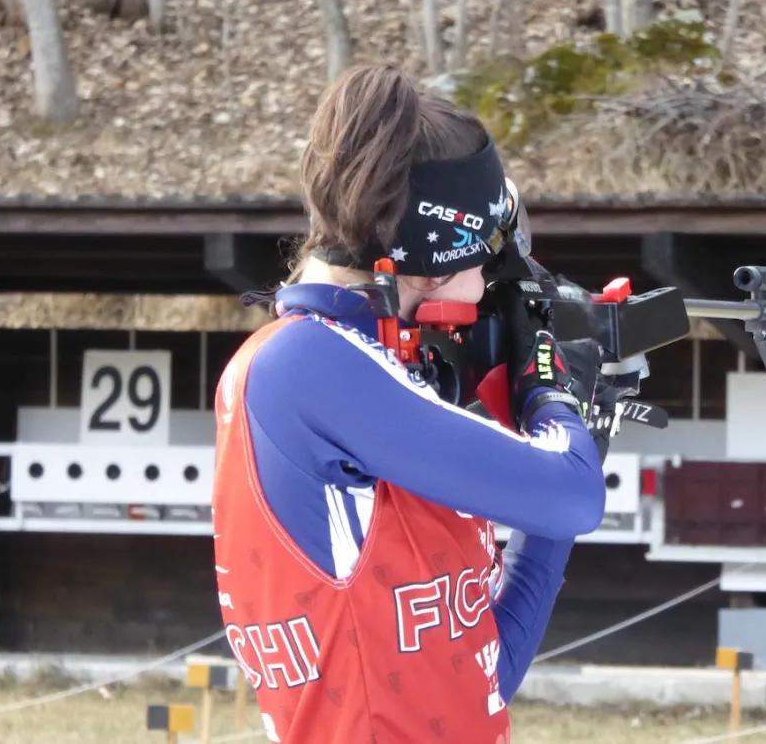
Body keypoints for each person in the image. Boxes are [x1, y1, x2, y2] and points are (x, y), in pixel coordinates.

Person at [211, 65, 613, 744]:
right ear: (431, 262)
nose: (488, 282)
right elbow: (573, 495)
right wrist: (547, 390)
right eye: (485, 258)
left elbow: (473, 681)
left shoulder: (353, 371)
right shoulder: (303, 364)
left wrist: (576, 432)